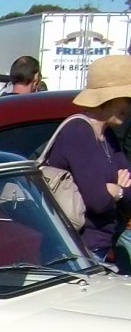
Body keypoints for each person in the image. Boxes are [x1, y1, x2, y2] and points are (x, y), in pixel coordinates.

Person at [41, 54, 131, 261]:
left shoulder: (108, 136)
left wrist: (115, 191)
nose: (129, 106)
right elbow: (97, 201)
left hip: (98, 249)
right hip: (73, 252)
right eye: (126, 99)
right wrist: (119, 191)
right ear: (105, 99)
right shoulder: (78, 132)